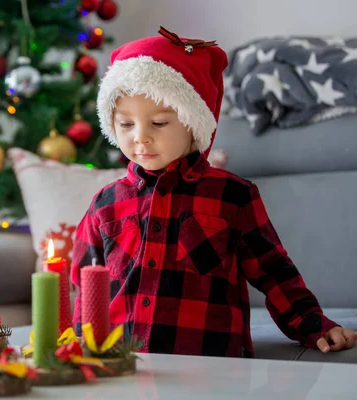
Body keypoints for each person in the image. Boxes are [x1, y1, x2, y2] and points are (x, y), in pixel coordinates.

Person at [70, 27, 357, 357]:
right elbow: (83, 282)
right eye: (125, 124)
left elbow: (275, 273)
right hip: (121, 364)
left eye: (160, 123)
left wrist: (315, 326)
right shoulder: (105, 204)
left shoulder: (233, 196)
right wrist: (78, 346)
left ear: (194, 124)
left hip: (211, 363)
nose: (141, 137)